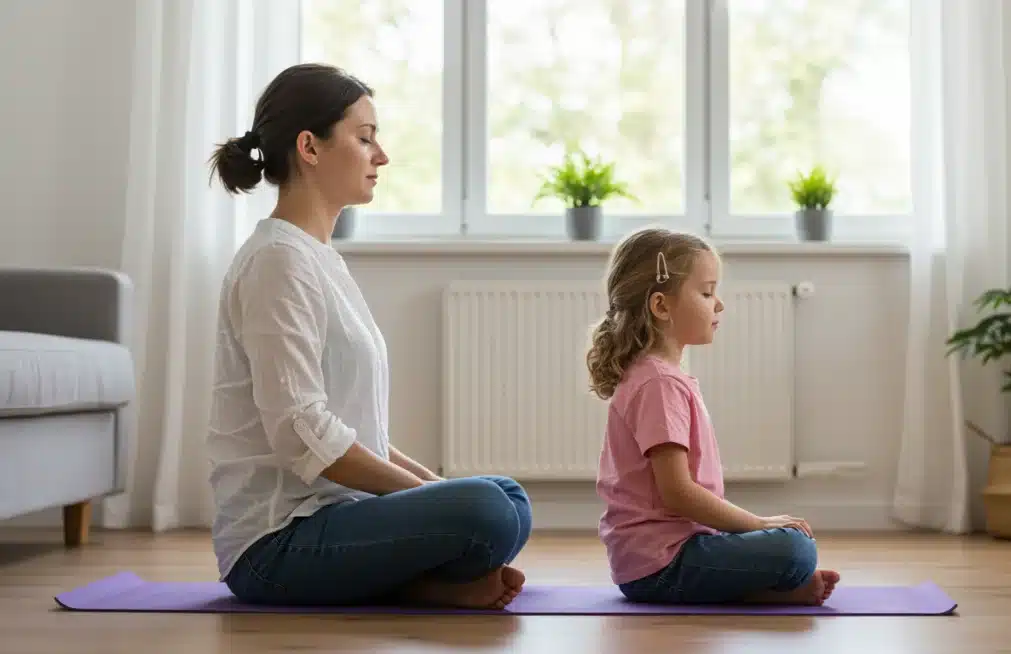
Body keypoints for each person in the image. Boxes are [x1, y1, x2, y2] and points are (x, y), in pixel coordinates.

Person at [205, 63, 530, 609]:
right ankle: (423, 586)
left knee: (505, 498)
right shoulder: (278, 262)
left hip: (340, 518)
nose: (381, 156)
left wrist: (437, 489)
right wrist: (440, 499)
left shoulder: (318, 258)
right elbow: (300, 430)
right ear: (309, 146)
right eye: (365, 138)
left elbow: (353, 429)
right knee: (486, 511)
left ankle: (418, 584)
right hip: (278, 545)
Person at [587, 227, 841, 605]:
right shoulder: (658, 383)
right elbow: (678, 493)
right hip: (661, 565)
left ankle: (765, 588)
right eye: (706, 292)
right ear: (661, 306)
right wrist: (759, 524)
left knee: (789, 544)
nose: (718, 304)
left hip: (670, 553)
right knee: (795, 549)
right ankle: (764, 591)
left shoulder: (658, 377)